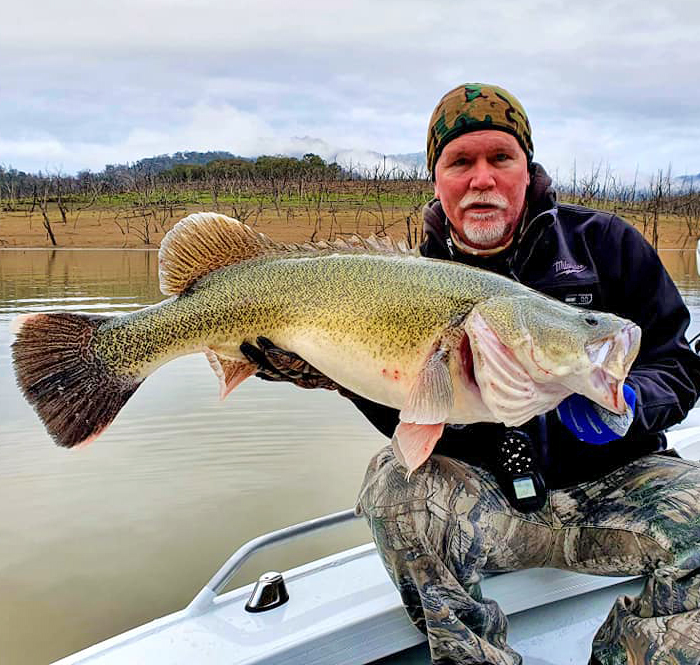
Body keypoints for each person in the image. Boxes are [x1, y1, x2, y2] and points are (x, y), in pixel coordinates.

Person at [241, 83, 700, 665]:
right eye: (460, 161)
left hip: (615, 492)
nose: (481, 177)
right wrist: (330, 372)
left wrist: (633, 404)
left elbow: (678, 364)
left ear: (526, 170)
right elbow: (407, 419)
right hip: (490, 510)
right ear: (437, 179)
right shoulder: (399, 281)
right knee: (395, 486)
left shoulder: (606, 244)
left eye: (500, 158)